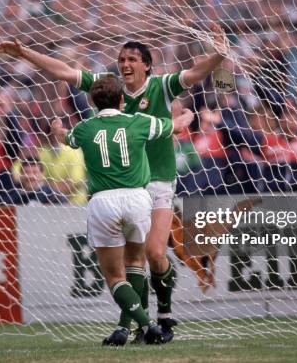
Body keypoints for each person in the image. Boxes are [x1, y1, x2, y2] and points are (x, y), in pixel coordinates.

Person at [0, 23, 227, 340]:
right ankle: (132, 323)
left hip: (157, 182)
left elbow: (194, 74)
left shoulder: (161, 85)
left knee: (155, 254)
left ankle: (164, 312)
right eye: (122, 59)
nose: (126, 64)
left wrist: (218, 55)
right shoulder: (109, 90)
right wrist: (24, 53)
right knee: (135, 260)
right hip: (127, 189)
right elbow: (64, 71)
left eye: (132, 59)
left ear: (147, 64)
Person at [50, 75, 194, 346]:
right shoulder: (138, 121)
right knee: (136, 263)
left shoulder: (84, 127)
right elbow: (176, 126)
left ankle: (146, 324)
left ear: (92, 102)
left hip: (104, 201)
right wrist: (187, 114)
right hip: (138, 199)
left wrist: (57, 128)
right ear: (121, 101)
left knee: (115, 276)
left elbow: (65, 137)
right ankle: (143, 325)